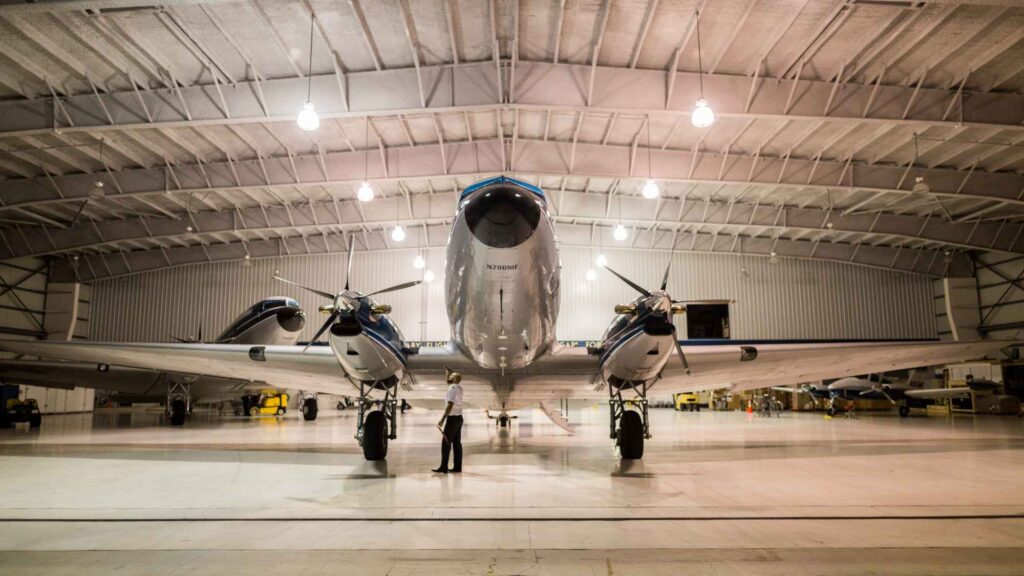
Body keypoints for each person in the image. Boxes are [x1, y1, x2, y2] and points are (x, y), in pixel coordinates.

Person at [433, 368, 464, 474]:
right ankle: (457, 467)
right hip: (459, 418)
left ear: (454, 379)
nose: (449, 378)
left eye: (451, 376)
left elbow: (450, 404)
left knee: (446, 443)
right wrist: (447, 373)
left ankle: (443, 467)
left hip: (452, 419)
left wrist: (442, 419)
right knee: (457, 443)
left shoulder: (452, 389)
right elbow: (449, 382)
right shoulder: (459, 388)